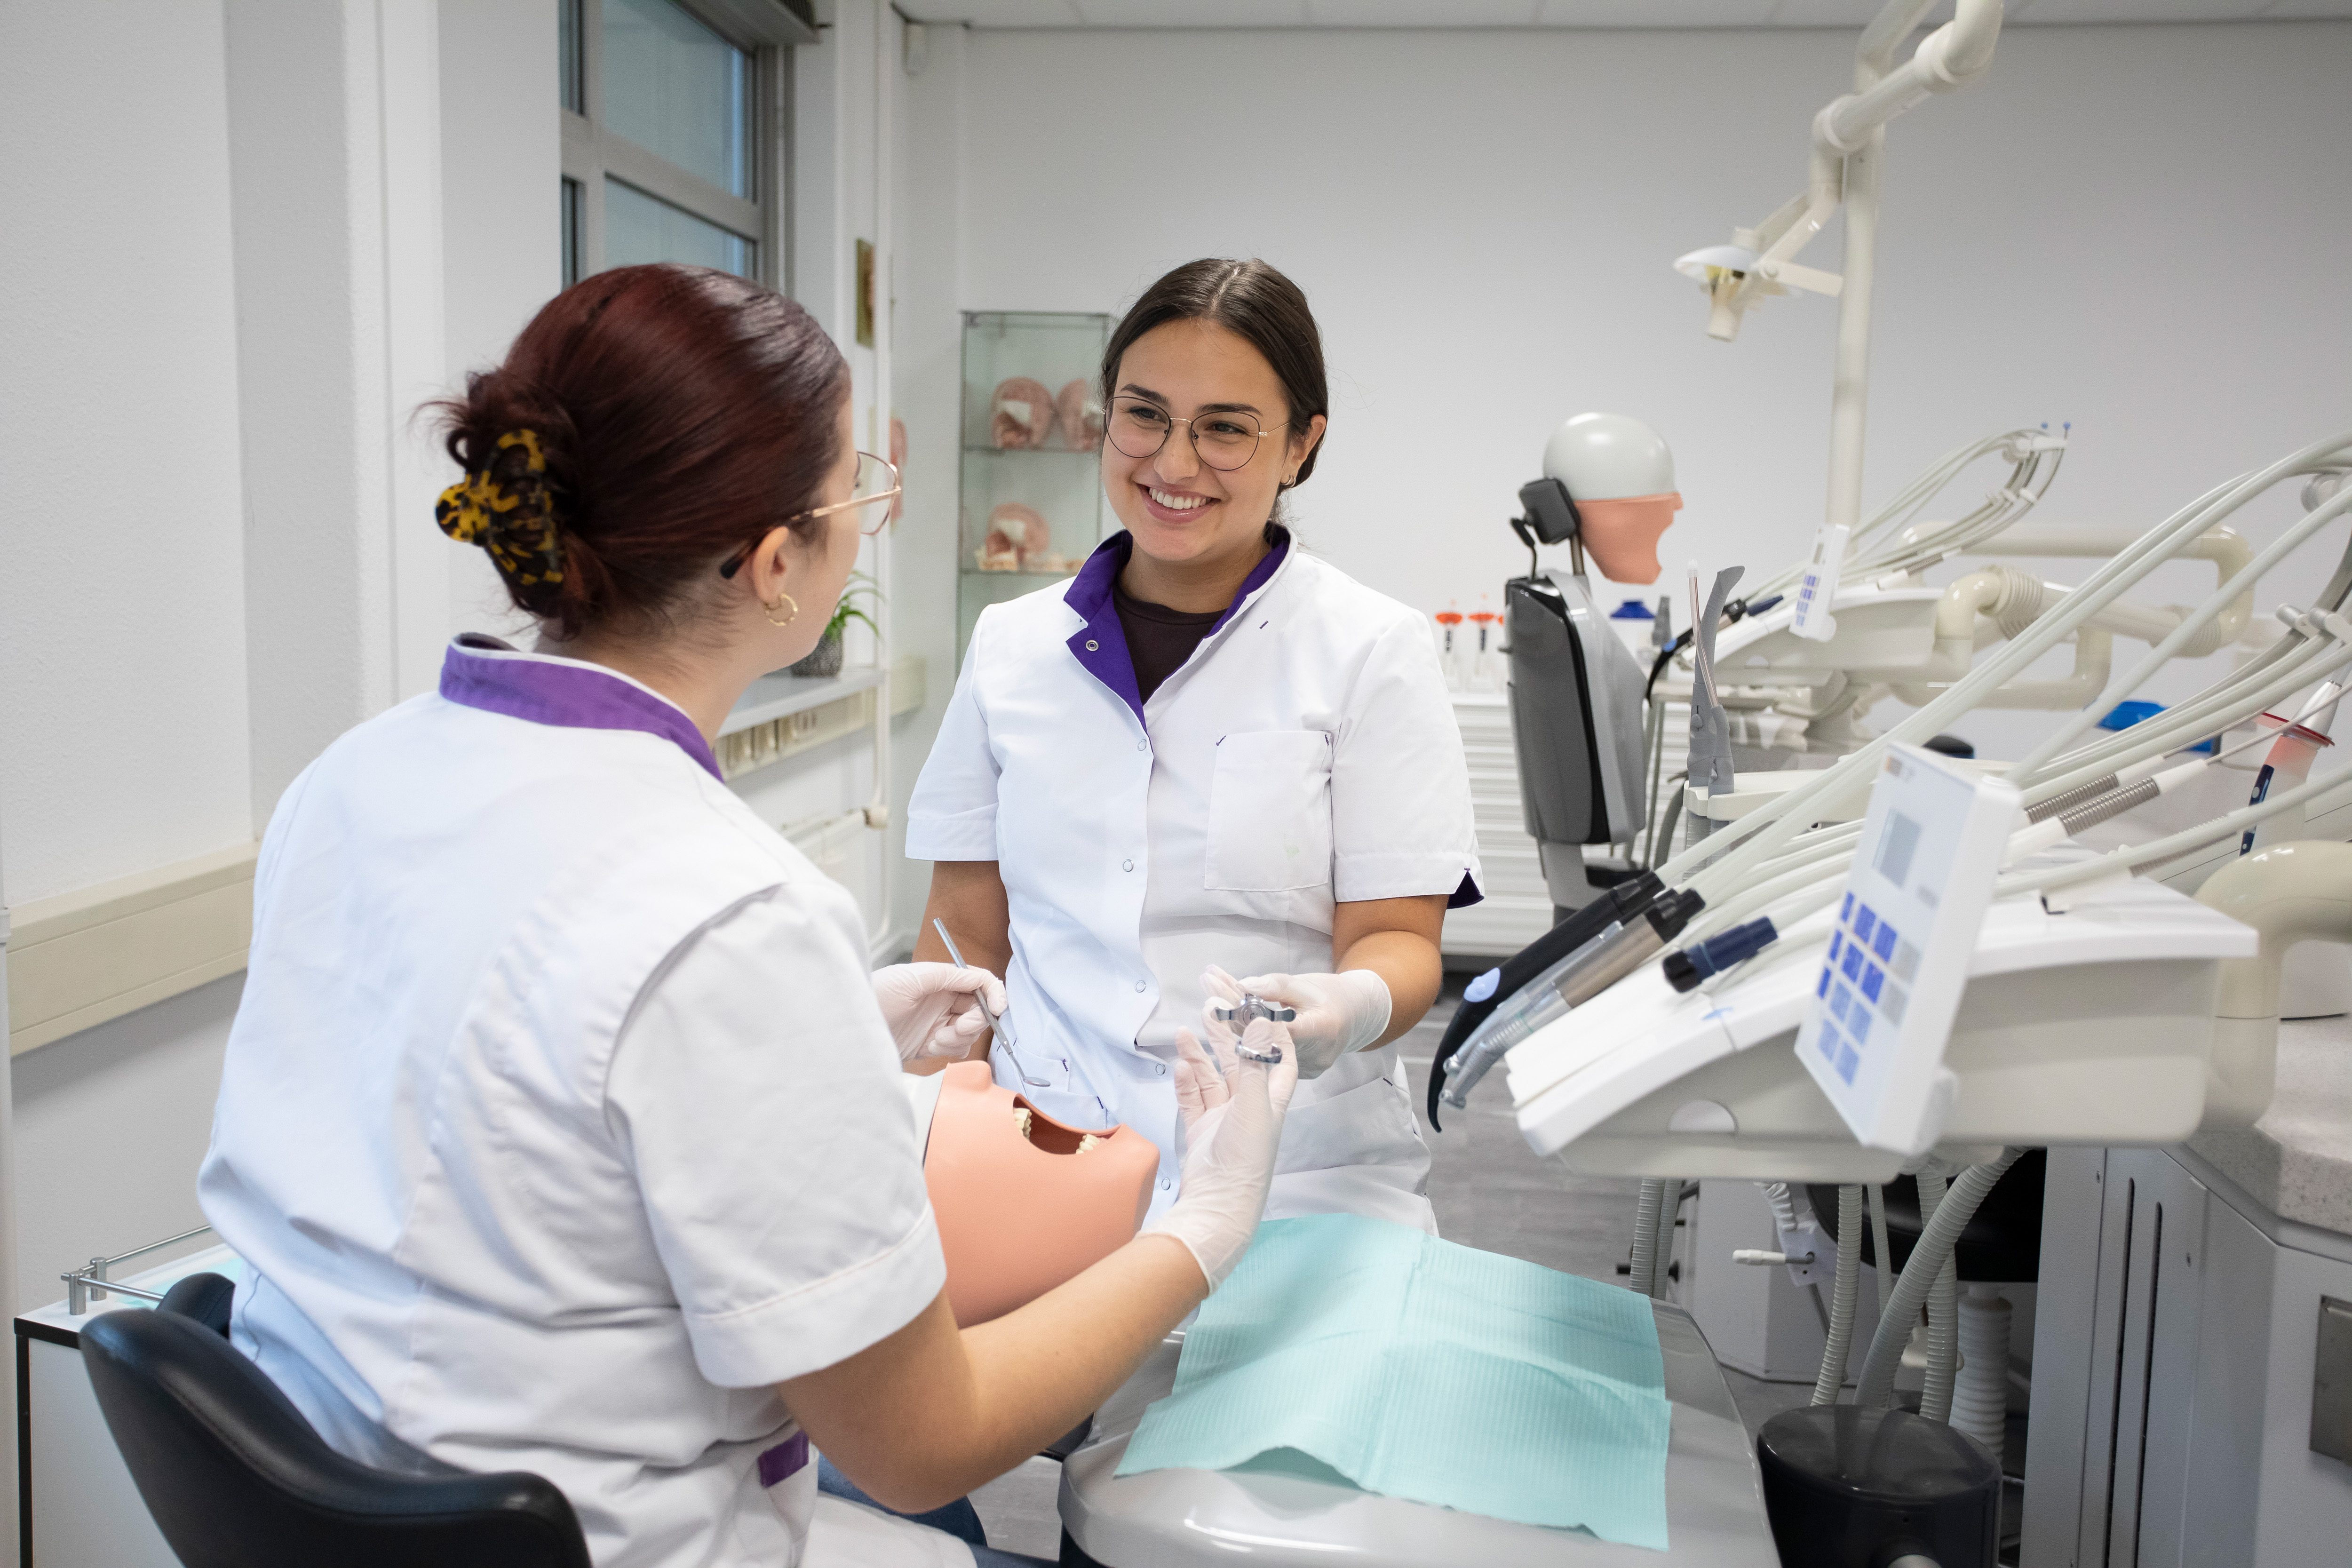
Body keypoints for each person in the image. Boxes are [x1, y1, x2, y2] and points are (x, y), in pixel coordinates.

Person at [197, 263, 1300, 1568]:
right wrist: (1207, 1222)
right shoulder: (733, 910)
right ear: (781, 563)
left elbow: (478, 1087)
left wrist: (815, 1036)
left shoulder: (358, 773)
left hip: (350, 1485)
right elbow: (920, 1438)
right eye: (854, 488)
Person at [908, 259, 1481, 1234]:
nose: (1172, 464)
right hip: (1039, 1148)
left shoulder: (1370, 649)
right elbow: (965, 925)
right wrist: (929, 1126)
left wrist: (1345, 1004)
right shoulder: (1011, 645)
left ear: (1301, 445)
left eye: (1224, 427)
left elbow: (1399, 940)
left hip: (1291, 1168)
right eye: (1143, 415)